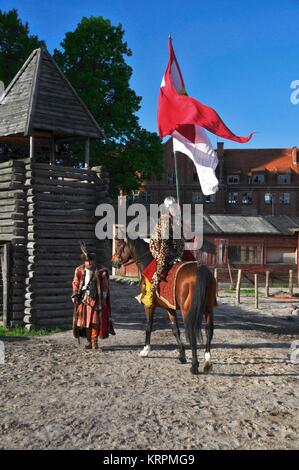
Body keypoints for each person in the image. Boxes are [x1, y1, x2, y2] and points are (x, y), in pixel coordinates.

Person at [71, 242, 115, 350]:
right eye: (87, 261)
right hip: (83, 299)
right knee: (85, 322)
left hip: (96, 300)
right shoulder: (79, 270)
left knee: (95, 321)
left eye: (91, 260)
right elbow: (75, 283)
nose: (89, 263)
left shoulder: (100, 271)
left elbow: (105, 287)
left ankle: (95, 342)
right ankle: (89, 342)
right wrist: (74, 294)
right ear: (84, 261)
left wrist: (103, 299)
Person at [149, 196, 185, 293]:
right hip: (175, 254)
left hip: (166, 254)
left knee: (156, 273)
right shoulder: (174, 221)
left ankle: (153, 289)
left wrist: (162, 257)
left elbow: (164, 244)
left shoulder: (167, 221)